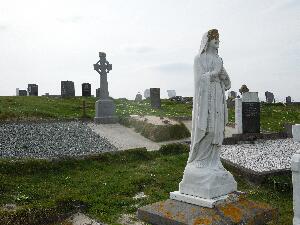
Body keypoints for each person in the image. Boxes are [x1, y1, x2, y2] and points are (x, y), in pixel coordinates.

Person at [178, 29, 237, 199]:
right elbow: (199, 81)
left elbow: (227, 83)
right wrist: (213, 73)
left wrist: (224, 77)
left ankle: (214, 161)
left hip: (218, 96)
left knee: (218, 130)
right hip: (206, 101)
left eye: (218, 38)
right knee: (209, 129)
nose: (217, 41)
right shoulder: (199, 59)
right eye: (214, 38)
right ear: (207, 41)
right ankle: (200, 162)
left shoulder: (218, 59)